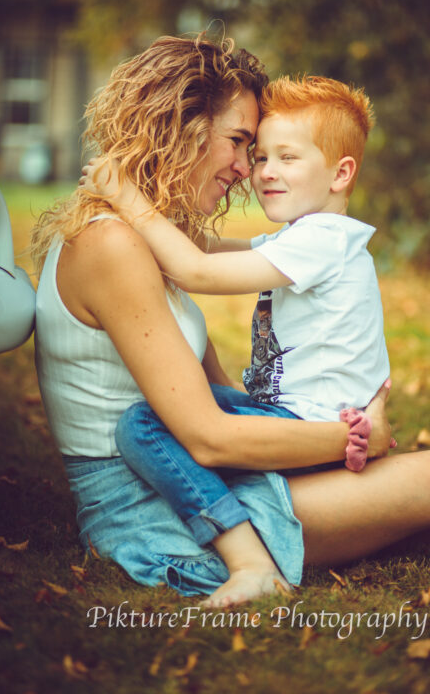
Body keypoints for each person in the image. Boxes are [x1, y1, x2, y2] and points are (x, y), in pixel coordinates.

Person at [33, 33, 430, 609]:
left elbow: (221, 394)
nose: (247, 169)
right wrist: (355, 439)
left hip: (207, 479)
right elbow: (209, 436)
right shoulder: (113, 244)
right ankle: (256, 564)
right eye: (242, 144)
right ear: (182, 125)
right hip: (161, 505)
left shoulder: (147, 238)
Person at [80, 74, 395, 605]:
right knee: (200, 407)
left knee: (144, 426)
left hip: (308, 426)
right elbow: (205, 247)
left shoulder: (322, 240)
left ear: (341, 173)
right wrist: (157, 212)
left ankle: (244, 554)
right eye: (260, 156)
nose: (263, 171)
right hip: (297, 413)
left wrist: (128, 199)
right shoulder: (305, 236)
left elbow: (199, 271)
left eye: (286, 158)